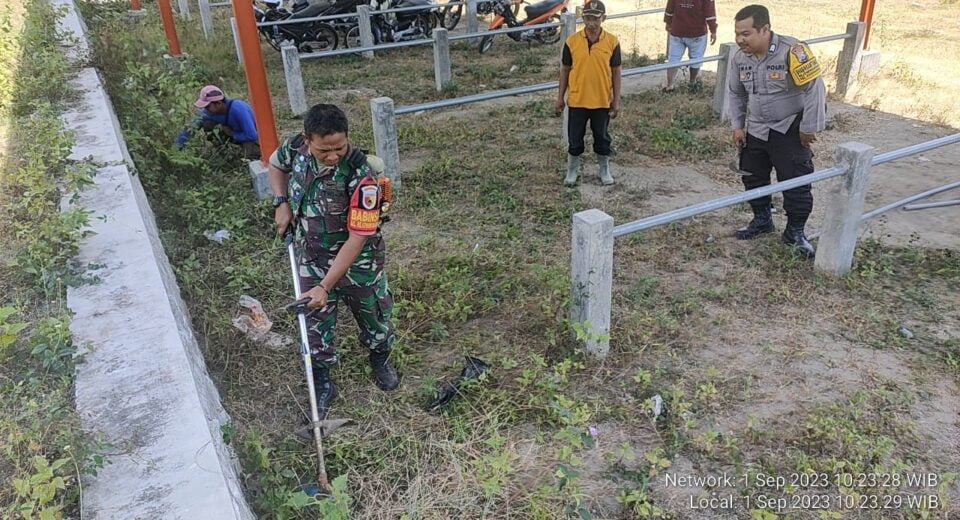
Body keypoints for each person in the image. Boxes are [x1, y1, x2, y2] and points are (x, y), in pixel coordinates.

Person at [268, 103, 399, 419]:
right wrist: (281, 202)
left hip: (358, 264)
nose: (332, 155)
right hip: (311, 256)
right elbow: (275, 165)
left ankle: (380, 357)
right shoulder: (295, 147)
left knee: (374, 316)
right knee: (314, 324)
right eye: (324, 149)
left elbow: (358, 237)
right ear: (307, 139)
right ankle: (323, 379)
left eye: (339, 148)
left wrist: (326, 285)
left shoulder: (362, 177)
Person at [727, 4, 826, 258]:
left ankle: (795, 232)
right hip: (757, 128)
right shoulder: (740, 58)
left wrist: (808, 127)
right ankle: (762, 220)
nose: (740, 39)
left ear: (764, 29)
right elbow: (736, 93)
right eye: (738, 33)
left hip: (789, 128)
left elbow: (814, 88)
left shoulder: (793, 51)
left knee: (796, 182)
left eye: (746, 34)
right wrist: (738, 126)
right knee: (752, 177)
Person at [555, 0, 622, 186]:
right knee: (574, 139)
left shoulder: (612, 42)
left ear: (604, 19)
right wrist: (560, 98)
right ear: (582, 18)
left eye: (595, 18)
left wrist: (616, 100)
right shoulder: (572, 42)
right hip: (577, 100)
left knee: (602, 138)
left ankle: (604, 169)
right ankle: (572, 170)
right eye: (587, 18)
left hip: (601, 101)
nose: (591, 23)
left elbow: (616, 72)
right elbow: (565, 70)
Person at [176, 85, 261, 160]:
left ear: (218, 103)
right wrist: (176, 148)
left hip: (253, 137)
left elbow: (252, 135)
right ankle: (226, 154)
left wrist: (232, 134)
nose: (205, 109)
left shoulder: (238, 109)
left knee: (252, 157)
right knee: (207, 124)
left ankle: (254, 155)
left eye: (207, 107)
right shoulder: (208, 113)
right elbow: (190, 128)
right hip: (235, 134)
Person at [663, 0, 717, 91]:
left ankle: (670, 85)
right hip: (697, 32)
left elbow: (670, 8)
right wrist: (713, 30)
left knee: (673, 58)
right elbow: (709, 13)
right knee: (696, 59)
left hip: (677, 30)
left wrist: (668, 22)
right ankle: (692, 83)